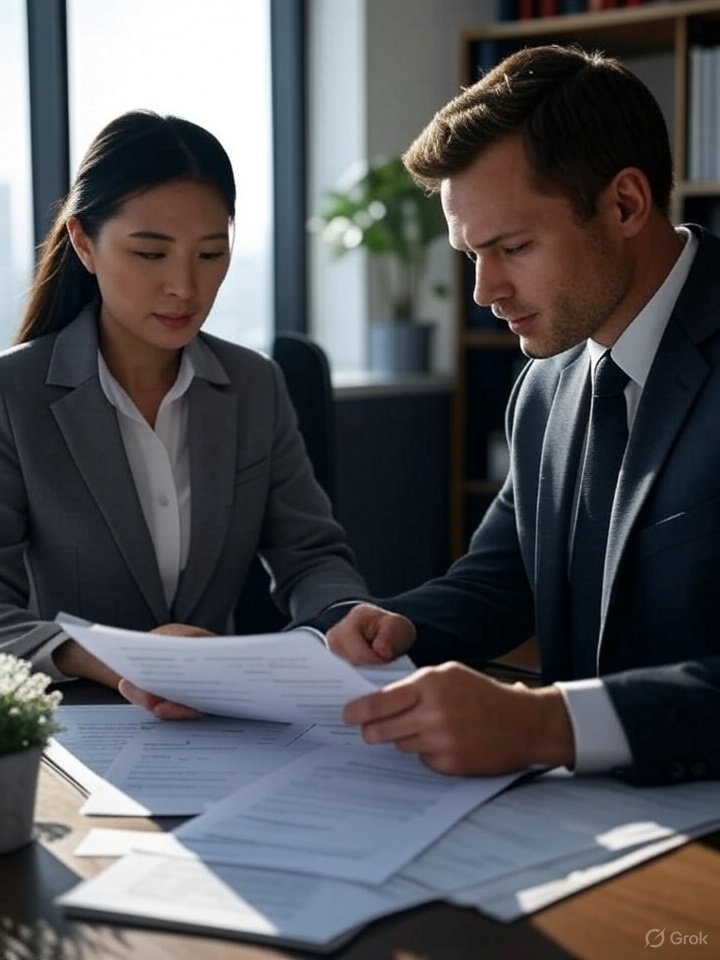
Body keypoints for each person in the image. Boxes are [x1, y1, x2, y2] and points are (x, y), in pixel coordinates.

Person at [326, 44, 720, 786]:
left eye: (513, 247)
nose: (484, 290)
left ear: (626, 204)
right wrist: (402, 626)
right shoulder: (546, 382)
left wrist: (546, 723)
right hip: (584, 828)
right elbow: (504, 578)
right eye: (471, 253)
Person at [0, 109, 369, 704]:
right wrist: (120, 659)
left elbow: (310, 555)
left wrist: (343, 611)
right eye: (151, 254)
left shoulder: (254, 385)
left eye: (209, 254)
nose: (185, 287)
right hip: (69, 724)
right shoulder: (13, 394)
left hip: (216, 719)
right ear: (84, 243)